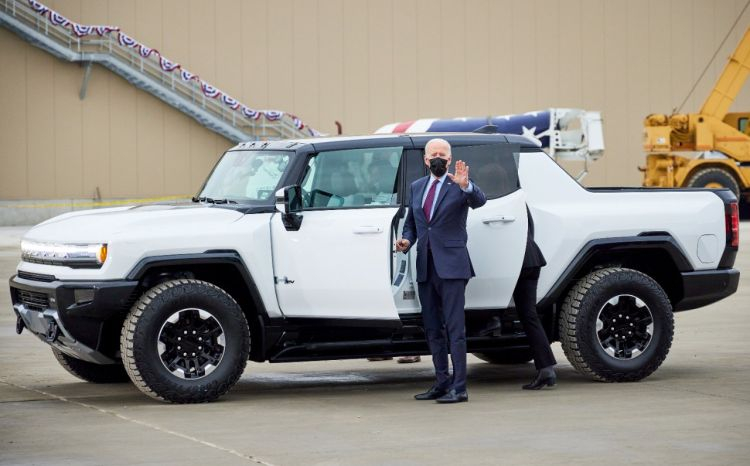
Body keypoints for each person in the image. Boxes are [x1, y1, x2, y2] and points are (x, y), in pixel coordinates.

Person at [396, 138, 486, 403]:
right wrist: (406, 240)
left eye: (442, 154)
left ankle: (460, 387)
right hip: (426, 266)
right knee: (433, 328)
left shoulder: (459, 184)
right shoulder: (417, 187)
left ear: (449, 159)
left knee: (455, 329)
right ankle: (441, 382)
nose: (438, 158)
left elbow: (479, 201)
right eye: (433, 154)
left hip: (452, 267)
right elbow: (413, 224)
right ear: (426, 160)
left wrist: (466, 185)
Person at [514, 207, 557, 389]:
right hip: (532, 256)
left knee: (528, 315)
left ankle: (547, 370)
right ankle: (546, 369)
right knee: (530, 315)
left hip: (520, 260)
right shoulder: (518, 202)